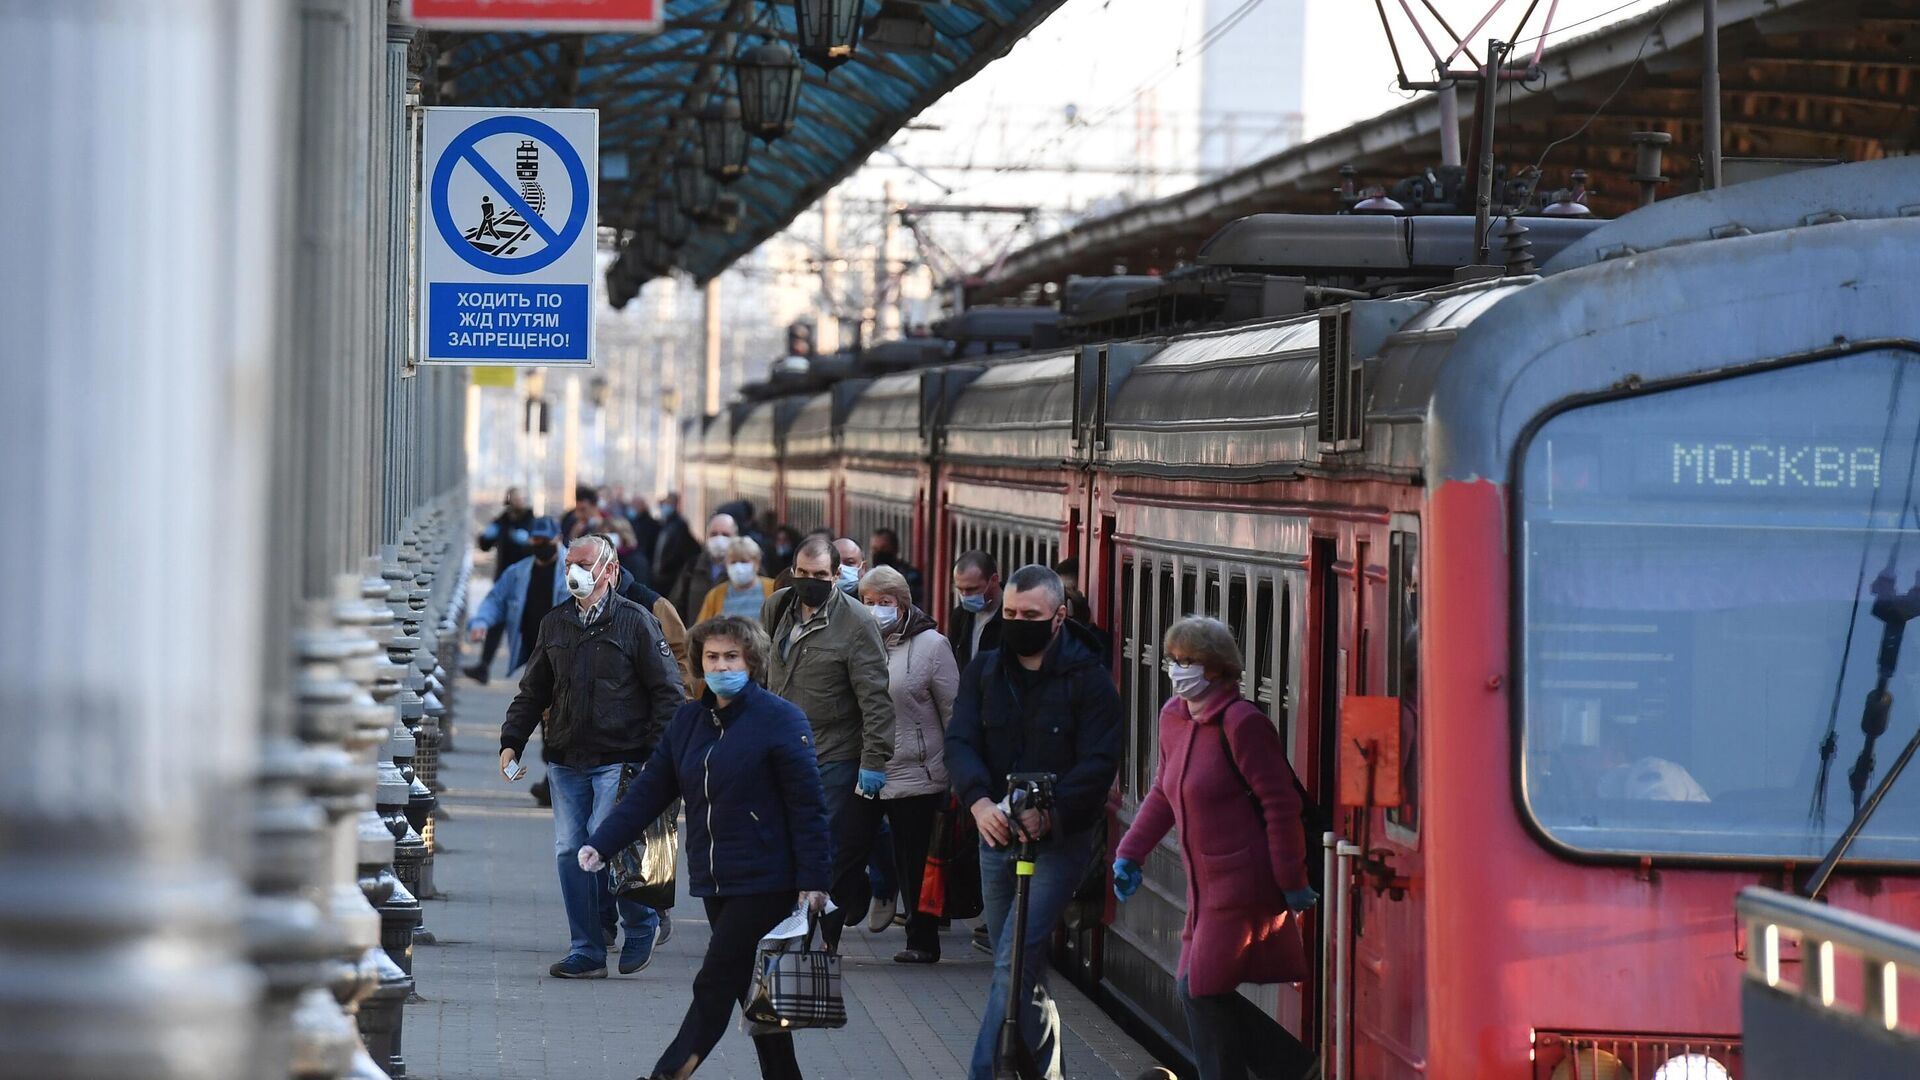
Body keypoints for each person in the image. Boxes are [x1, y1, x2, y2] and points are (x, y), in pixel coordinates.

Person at [578, 616, 830, 1080]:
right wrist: (602, 843)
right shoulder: (690, 721)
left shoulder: (780, 719)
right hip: (717, 878)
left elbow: (808, 806)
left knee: (714, 982)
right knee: (751, 992)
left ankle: (667, 1074)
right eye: (711, 657)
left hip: (768, 880)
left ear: (751, 662)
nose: (720, 666)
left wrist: (814, 881)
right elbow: (652, 790)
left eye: (731, 657)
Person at [1112, 616, 1317, 1080]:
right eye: (1174, 660)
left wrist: (1292, 881)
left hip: (1244, 889)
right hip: (1204, 890)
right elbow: (1163, 792)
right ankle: (1298, 1071)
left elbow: (1280, 807)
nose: (1178, 670)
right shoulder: (1173, 718)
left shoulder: (1243, 724)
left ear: (1221, 669)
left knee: (1198, 989)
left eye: (1190, 662)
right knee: (1201, 990)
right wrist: (1130, 851)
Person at [945, 564, 1122, 1080]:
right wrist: (978, 803)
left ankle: (983, 1073)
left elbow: (1098, 762)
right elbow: (959, 741)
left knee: (1011, 965)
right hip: (994, 834)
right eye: (1012, 613)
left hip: (1058, 841)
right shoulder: (984, 670)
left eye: (1031, 615)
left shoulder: (1090, 681)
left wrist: (1051, 812)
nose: (1017, 622)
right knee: (1021, 974)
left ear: (1059, 617)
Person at [499, 535, 688, 979]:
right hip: (567, 758)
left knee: (609, 842)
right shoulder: (556, 623)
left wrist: (659, 759)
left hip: (621, 758)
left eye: (583, 563)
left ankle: (641, 922)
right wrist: (512, 741)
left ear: (610, 570)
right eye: (569, 563)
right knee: (570, 851)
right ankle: (586, 948)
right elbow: (533, 691)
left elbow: (668, 693)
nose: (573, 572)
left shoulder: (637, 622)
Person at [819, 566, 958, 964]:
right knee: (847, 854)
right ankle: (827, 938)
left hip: (918, 772)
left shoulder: (932, 646)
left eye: (885, 602)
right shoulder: (851, 640)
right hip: (866, 768)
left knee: (914, 860)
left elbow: (952, 711)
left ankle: (922, 940)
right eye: (867, 602)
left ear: (903, 604)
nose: (876, 610)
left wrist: (956, 772)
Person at [762, 536, 896, 838]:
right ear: (793, 571)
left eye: (820, 575)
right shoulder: (778, 606)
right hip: (780, 751)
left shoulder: (858, 622)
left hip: (833, 757)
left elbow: (875, 697)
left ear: (835, 576)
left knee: (823, 846)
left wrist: (874, 760)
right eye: (803, 573)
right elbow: (760, 670)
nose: (811, 581)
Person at [464, 515, 568, 683]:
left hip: (565, 654)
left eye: (546, 540)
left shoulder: (575, 571)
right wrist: (481, 622)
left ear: (559, 539)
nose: (540, 544)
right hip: (534, 653)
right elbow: (497, 600)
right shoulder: (517, 573)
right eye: (536, 539)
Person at [470, 488, 535, 678]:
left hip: (524, 580)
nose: (517, 503)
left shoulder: (531, 522)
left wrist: (526, 542)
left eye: (520, 499)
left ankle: (534, 672)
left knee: (527, 626)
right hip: (503, 579)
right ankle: (483, 666)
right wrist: (487, 535)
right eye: (514, 499)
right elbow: (484, 545)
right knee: (496, 623)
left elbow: (534, 548)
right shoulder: (502, 521)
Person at [668, 512, 739, 624]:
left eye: (725, 534)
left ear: (735, 537)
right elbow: (676, 605)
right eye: (714, 534)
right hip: (697, 636)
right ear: (706, 536)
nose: (719, 539)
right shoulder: (693, 566)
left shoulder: (745, 568)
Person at [698, 536, 776, 623]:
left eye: (744, 561)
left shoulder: (773, 589)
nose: (738, 567)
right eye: (733, 562)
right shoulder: (715, 595)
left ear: (757, 562)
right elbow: (702, 629)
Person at [948, 550, 1004, 670]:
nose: (965, 595)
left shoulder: (1012, 617)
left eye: (972, 589)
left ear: (993, 580)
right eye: (960, 589)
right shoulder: (960, 616)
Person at [651, 492, 700, 596]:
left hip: (670, 577)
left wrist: (666, 567)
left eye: (668, 503)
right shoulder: (665, 523)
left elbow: (679, 550)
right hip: (661, 576)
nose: (664, 506)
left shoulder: (679, 524)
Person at [868, 527, 923, 606]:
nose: (879, 553)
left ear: (895, 549)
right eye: (875, 549)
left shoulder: (910, 576)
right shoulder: (867, 576)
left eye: (884, 548)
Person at [606, 515, 653, 594]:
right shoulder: (609, 557)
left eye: (612, 532)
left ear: (624, 534)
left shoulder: (636, 559)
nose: (608, 535)